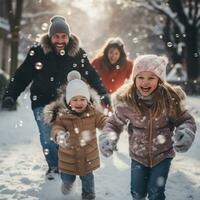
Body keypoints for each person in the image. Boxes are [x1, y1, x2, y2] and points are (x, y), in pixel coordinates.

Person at [1, 15, 110, 180]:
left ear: (69, 37)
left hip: (67, 102)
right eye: (56, 36)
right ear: (50, 37)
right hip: (42, 101)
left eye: (63, 36)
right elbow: (22, 75)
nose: (60, 40)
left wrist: (103, 93)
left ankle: (65, 163)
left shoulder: (77, 53)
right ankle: (54, 166)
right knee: (47, 136)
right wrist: (10, 95)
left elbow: (92, 75)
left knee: (65, 135)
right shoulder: (38, 52)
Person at [99, 54, 196, 200]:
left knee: (156, 193)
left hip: (163, 155)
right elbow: (114, 123)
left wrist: (185, 132)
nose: (145, 82)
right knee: (137, 192)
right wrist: (108, 137)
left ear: (159, 80)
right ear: (134, 79)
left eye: (151, 78)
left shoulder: (169, 100)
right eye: (140, 77)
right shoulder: (128, 101)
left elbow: (185, 119)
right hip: (138, 156)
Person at [43, 71, 107, 200]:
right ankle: (67, 185)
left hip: (88, 156)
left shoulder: (93, 113)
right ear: (68, 101)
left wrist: (109, 128)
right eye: (75, 99)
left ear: (88, 99)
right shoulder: (63, 116)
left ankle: (88, 195)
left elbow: (103, 121)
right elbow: (56, 128)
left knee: (88, 179)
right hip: (68, 158)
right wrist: (59, 135)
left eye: (83, 99)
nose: (79, 103)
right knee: (68, 178)